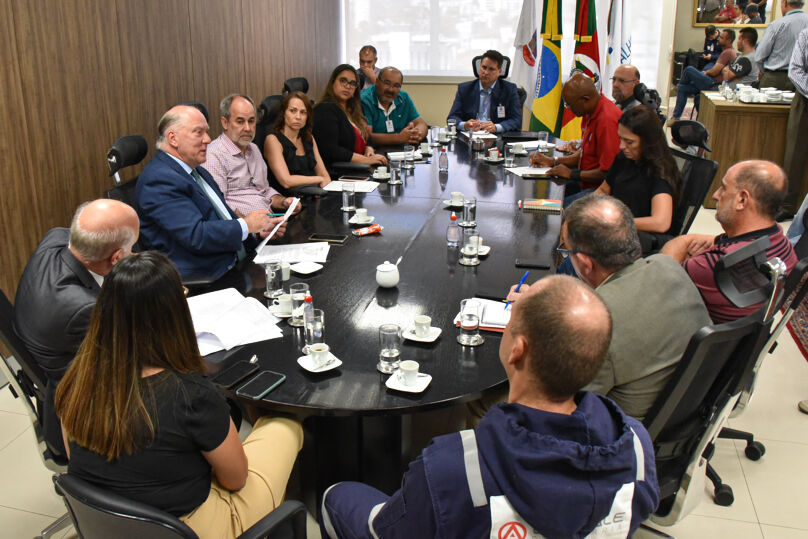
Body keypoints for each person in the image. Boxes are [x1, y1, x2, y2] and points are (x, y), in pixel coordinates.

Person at [320, 275, 660, 539]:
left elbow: (387, 532)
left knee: (337, 495)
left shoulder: (452, 467)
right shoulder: (638, 447)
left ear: (517, 350)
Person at [54, 252, 303, 539]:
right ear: (173, 312)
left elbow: (76, 457)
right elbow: (235, 480)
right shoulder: (190, 394)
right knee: (286, 426)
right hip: (188, 527)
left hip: (112, 526)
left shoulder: (75, 379)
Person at [510, 196, 711, 420]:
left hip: (617, 437)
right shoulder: (668, 266)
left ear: (585, 263)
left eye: (566, 250)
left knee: (483, 406)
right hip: (680, 411)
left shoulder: (594, 325)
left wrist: (527, 319)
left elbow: (555, 406)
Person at [13, 199, 140, 456]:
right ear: (116, 257)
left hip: (48, 346)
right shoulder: (86, 309)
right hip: (85, 401)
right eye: (132, 249)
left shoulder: (56, 238)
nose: (135, 254)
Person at [136, 105, 283, 280]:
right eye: (199, 132)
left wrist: (257, 232)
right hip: (207, 276)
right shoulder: (159, 179)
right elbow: (196, 235)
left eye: (207, 132)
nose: (207, 139)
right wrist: (246, 225)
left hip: (236, 261)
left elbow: (222, 217)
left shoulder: (197, 170)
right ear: (173, 139)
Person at [661, 160, 798, 323]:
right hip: (733, 341)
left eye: (724, 188)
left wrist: (684, 240)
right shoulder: (785, 248)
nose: (716, 195)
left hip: (687, 337)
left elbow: (660, 279)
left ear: (742, 200)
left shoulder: (717, 265)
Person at [593, 105, 681, 243]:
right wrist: (586, 209)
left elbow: (661, 222)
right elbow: (604, 189)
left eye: (629, 142)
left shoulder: (660, 171)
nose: (622, 146)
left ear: (648, 142)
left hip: (634, 238)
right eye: (620, 139)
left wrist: (617, 223)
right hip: (614, 228)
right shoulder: (624, 158)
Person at [530, 73, 622, 199]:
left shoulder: (607, 120)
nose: (568, 109)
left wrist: (572, 174)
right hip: (585, 183)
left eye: (570, 105)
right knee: (546, 194)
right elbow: (584, 154)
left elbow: (608, 172)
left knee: (560, 212)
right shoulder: (589, 112)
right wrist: (553, 161)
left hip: (600, 191)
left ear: (585, 99)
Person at [205, 93, 299, 215]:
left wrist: (284, 202)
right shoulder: (213, 155)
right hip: (243, 230)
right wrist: (250, 226)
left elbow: (264, 192)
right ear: (225, 123)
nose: (248, 128)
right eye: (240, 121)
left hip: (270, 222)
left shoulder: (253, 149)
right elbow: (219, 206)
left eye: (251, 121)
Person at [313, 64, 387, 169]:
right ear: (333, 82)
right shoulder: (325, 110)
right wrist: (365, 160)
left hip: (360, 167)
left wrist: (369, 148)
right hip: (340, 172)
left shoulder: (353, 109)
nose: (348, 86)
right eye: (343, 80)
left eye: (353, 83)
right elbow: (331, 150)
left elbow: (366, 134)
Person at [264, 91, 331, 196]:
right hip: (287, 202)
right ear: (283, 113)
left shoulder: (309, 138)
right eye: (293, 111)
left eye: (303, 112)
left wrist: (323, 183)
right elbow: (286, 181)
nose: (298, 117)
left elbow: (324, 175)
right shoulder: (273, 140)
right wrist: (318, 179)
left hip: (313, 196)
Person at [669, 29, 737, 124]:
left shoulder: (728, 52)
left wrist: (705, 73)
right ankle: (675, 118)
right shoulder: (726, 51)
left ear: (729, 40)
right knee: (682, 88)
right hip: (712, 81)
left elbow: (714, 72)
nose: (719, 39)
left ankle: (680, 84)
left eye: (722, 37)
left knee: (689, 70)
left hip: (713, 84)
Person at [447, 49, 521, 133]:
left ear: (499, 72)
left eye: (491, 69)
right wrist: (464, 125)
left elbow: (516, 120)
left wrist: (497, 127)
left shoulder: (509, 89)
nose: (486, 72)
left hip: (496, 137)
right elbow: (452, 118)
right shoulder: (465, 89)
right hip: (470, 135)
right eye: (484, 67)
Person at [360, 67, 427, 145]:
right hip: (374, 152)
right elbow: (367, 137)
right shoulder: (365, 100)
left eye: (396, 85)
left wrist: (416, 135)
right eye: (387, 83)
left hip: (401, 151)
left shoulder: (403, 97)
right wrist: (398, 137)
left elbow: (421, 123)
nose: (391, 90)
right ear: (377, 82)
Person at [755, 0, 808, 91]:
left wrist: (765, 72)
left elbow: (759, 57)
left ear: (785, 3)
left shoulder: (776, 25)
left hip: (775, 79)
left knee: (769, 105)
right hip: (804, 79)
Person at [783, 27, 808, 213]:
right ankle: (788, 205)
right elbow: (795, 69)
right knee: (795, 154)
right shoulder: (806, 34)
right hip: (805, 98)